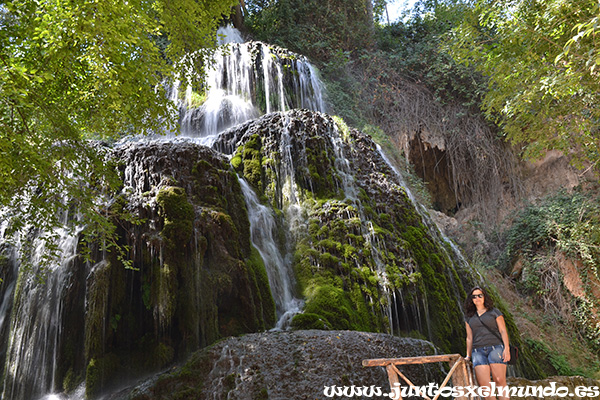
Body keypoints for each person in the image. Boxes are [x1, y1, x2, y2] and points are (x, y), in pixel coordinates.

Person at [464, 286, 510, 400]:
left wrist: (507, 349)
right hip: (477, 352)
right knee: (485, 387)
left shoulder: (494, 312)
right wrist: (468, 356)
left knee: (500, 381)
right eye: (474, 296)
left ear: (485, 297)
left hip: (496, 348)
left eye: (480, 295)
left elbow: (503, 330)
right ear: (471, 299)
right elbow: (469, 338)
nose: (477, 298)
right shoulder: (469, 317)